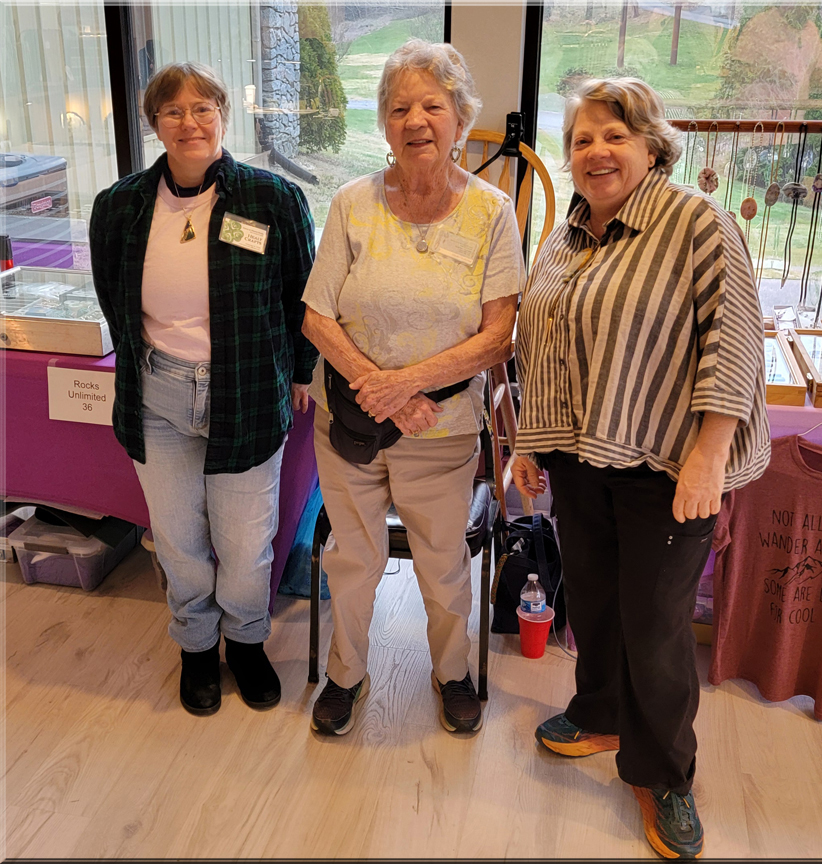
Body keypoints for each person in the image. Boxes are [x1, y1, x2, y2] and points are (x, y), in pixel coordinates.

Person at [511, 78, 770, 859]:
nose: (596, 151)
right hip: (580, 457)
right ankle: (599, 715)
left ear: (651, 146)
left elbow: (734, 343)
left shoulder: (696, 222)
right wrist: (528, 443)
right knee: (592, 605)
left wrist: (707, 458)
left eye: (614, 135)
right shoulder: (567, 235)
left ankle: (664, 775)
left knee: (655, 628)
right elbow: (540, 344)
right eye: (581, 139)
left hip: (667, 463)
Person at [301, 39, 524, 736]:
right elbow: (316, 316)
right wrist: (382, 388)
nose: (415, 121)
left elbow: (499, 336)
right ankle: (346, 675)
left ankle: (451, 673)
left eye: (432, 105)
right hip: (350, 419)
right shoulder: (351, 203)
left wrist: (407, 386)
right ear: (384, 123)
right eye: (399, 108)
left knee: (443, 562)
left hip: (441, 427)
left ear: (460, 118)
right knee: (353, 559)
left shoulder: (491, 212)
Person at [89, 62, 317, 717]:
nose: (189, 122)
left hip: (247, 391)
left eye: (202, 108)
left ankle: (245, 642)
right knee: (178, 539)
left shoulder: (271, 199)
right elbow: (113, 297)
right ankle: (195, 647)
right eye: (173, 111)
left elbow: (301, 294)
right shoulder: (119, 206)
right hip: (157, 395)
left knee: (246, 541)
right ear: (154, 123)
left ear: (222, 115)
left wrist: (301, 371)